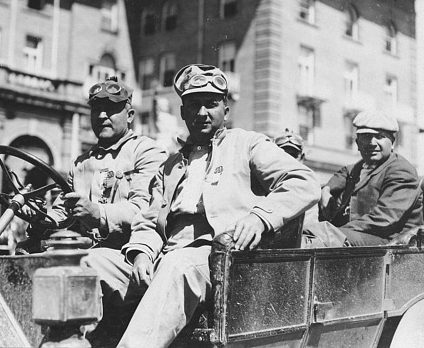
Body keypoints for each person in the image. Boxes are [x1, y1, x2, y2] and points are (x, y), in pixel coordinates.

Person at [85, 64, 320, 348]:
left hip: (222, 260)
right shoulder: (170, 165)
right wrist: (141, 254)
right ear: (183, 112)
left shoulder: (247, 144)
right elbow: (148, 221)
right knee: (89, 263)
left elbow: (303, 181)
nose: (201, 113)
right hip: (167, 257)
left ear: (226, 109)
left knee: (177, 265)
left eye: (211, 104)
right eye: (194, 105)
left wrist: (260, 217)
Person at [22, 75, 166, 254]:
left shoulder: (146, 152)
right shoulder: (81, 163)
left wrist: (97, 212)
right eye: (96, 109)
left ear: (129, 116)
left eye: (111, 109)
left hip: (129, 252)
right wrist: (40, 216)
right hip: (86, 250)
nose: (102, 115)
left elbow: (144, 210)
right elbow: (61, 213)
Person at [302, 110, 423, 247]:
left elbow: (384, 219)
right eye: (366, 136)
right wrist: (327, 189)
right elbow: (343, 173)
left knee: (319, 238)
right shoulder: (360, 167)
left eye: (379, 136)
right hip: (363, 237)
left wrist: (334, 231)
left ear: (392, 142)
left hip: (392, 243)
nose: (372, 143)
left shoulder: (400, 171)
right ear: (357, 142)